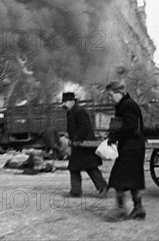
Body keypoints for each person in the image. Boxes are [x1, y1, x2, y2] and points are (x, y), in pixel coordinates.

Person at [105, 82, 146, 220]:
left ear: (119, 93)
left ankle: (120, 210)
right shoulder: (124, 104)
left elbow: (131, 127)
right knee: (132, 179)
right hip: (131, 146)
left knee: (118, 178)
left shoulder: (127, 105)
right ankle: (138, 209)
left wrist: (114, 136)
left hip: (132, 147)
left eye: (111, 95)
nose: (110, 98)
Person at [62, 92, 108, 198]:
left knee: (90, 167)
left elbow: (84, 127)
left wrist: (76, 139)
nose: (63, 104)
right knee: (74, 168)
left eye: (65, 102)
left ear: (72, 102)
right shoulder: (70, 112)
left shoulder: (80, 111)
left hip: (85, 144)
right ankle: (76, 191)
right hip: (78, 144)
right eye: (63, 102)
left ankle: (103, 187)